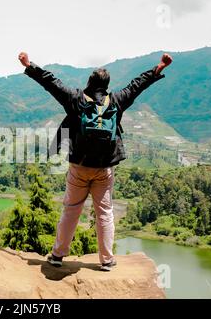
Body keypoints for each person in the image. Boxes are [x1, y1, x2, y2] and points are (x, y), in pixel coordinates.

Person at [18, 51, 172, 271]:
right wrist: (159, 68)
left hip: (79, 168)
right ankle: (107, 260)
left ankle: (57, 256)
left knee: (71, 210)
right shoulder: (116, 101)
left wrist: (29, 65)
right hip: (104, 169)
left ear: (89, 82)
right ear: (107, 85)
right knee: (105, 212)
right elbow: (138, 85)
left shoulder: (76, 99)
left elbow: (51, 82)